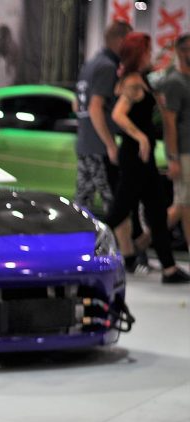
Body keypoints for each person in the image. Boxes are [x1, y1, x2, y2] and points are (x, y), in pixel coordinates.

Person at [108, 32, 190, 284]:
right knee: (120, 210)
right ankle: (80, 246)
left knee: (156, 211)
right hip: (135, 156)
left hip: (143, 158)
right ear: (139, 54)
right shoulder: (133, 82)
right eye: (147, 50)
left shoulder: (140, 79)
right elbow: (118, 114)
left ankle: (169, 268)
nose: (150, 54)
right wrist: (141, 137)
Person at [74, 21, 131, 239]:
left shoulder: (90, 64)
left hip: (85, 142)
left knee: (83, 200)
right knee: (114, 202)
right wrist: (110, 144)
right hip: (99, 147)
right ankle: (123, 251)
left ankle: (77, 245)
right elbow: (95, 107)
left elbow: (77, 104)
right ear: (120, 40)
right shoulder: (107, 66)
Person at [160, 34, 190, 259]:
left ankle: (144, 241)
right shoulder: (174, 82)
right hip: (184, 152)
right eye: (187, 49)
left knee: (185, 205)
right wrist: (173, 158)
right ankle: (144, 242)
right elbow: (169, 122)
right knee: (183, 205)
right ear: (179, 51)